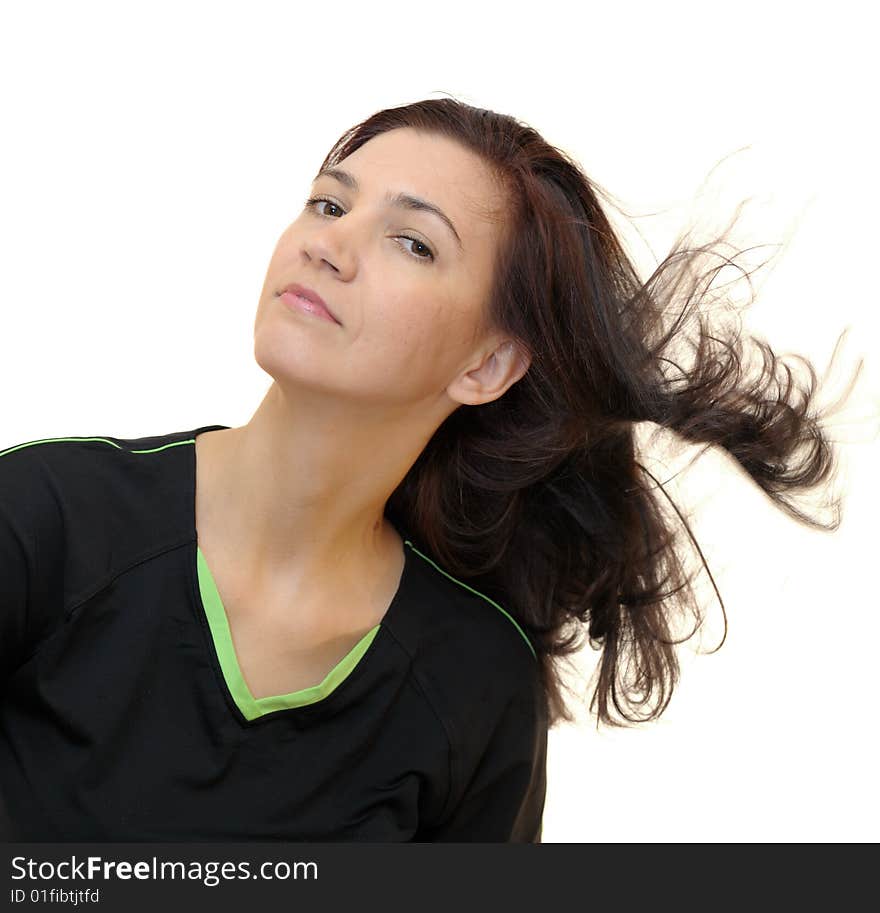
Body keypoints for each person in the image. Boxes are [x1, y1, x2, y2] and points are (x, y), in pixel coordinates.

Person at [0, 96, 860, 843]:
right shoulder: (44, 519)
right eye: (327, 204)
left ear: (486, 365)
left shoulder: (476, 683)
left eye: (412, 242)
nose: (328, 246)